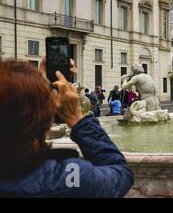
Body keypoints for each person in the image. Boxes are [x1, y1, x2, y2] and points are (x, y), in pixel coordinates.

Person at [0, 59, 133, 197]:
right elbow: (120, 172)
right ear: (43, 120)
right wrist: (77, 119)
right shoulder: (68, 179)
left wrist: (37, 85)